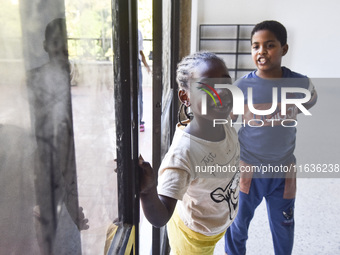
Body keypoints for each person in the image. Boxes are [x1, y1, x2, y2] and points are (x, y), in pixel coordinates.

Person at [224, 20, 318, 255]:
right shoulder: (242, 87)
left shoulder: (300, 83)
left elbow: (310, 101)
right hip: (248, 171)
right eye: (255, 46)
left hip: (283, 173)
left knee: (284, 227)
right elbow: (227, 120)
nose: (261, 52)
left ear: (284, 49)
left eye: (269, 45)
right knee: (237, 225)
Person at [139, 51, 240, 254]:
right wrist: (148, 190)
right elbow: (160, 218)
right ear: (186, 96)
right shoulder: (183, 155)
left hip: (215, 223)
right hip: (194, 236)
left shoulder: (223, 121)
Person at [138, 29, 151, 132]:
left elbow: (140, 51)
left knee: (139, 94)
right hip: (125, 64)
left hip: (136, 63)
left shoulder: (138, 32)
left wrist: (146, 66)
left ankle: (139, 121)